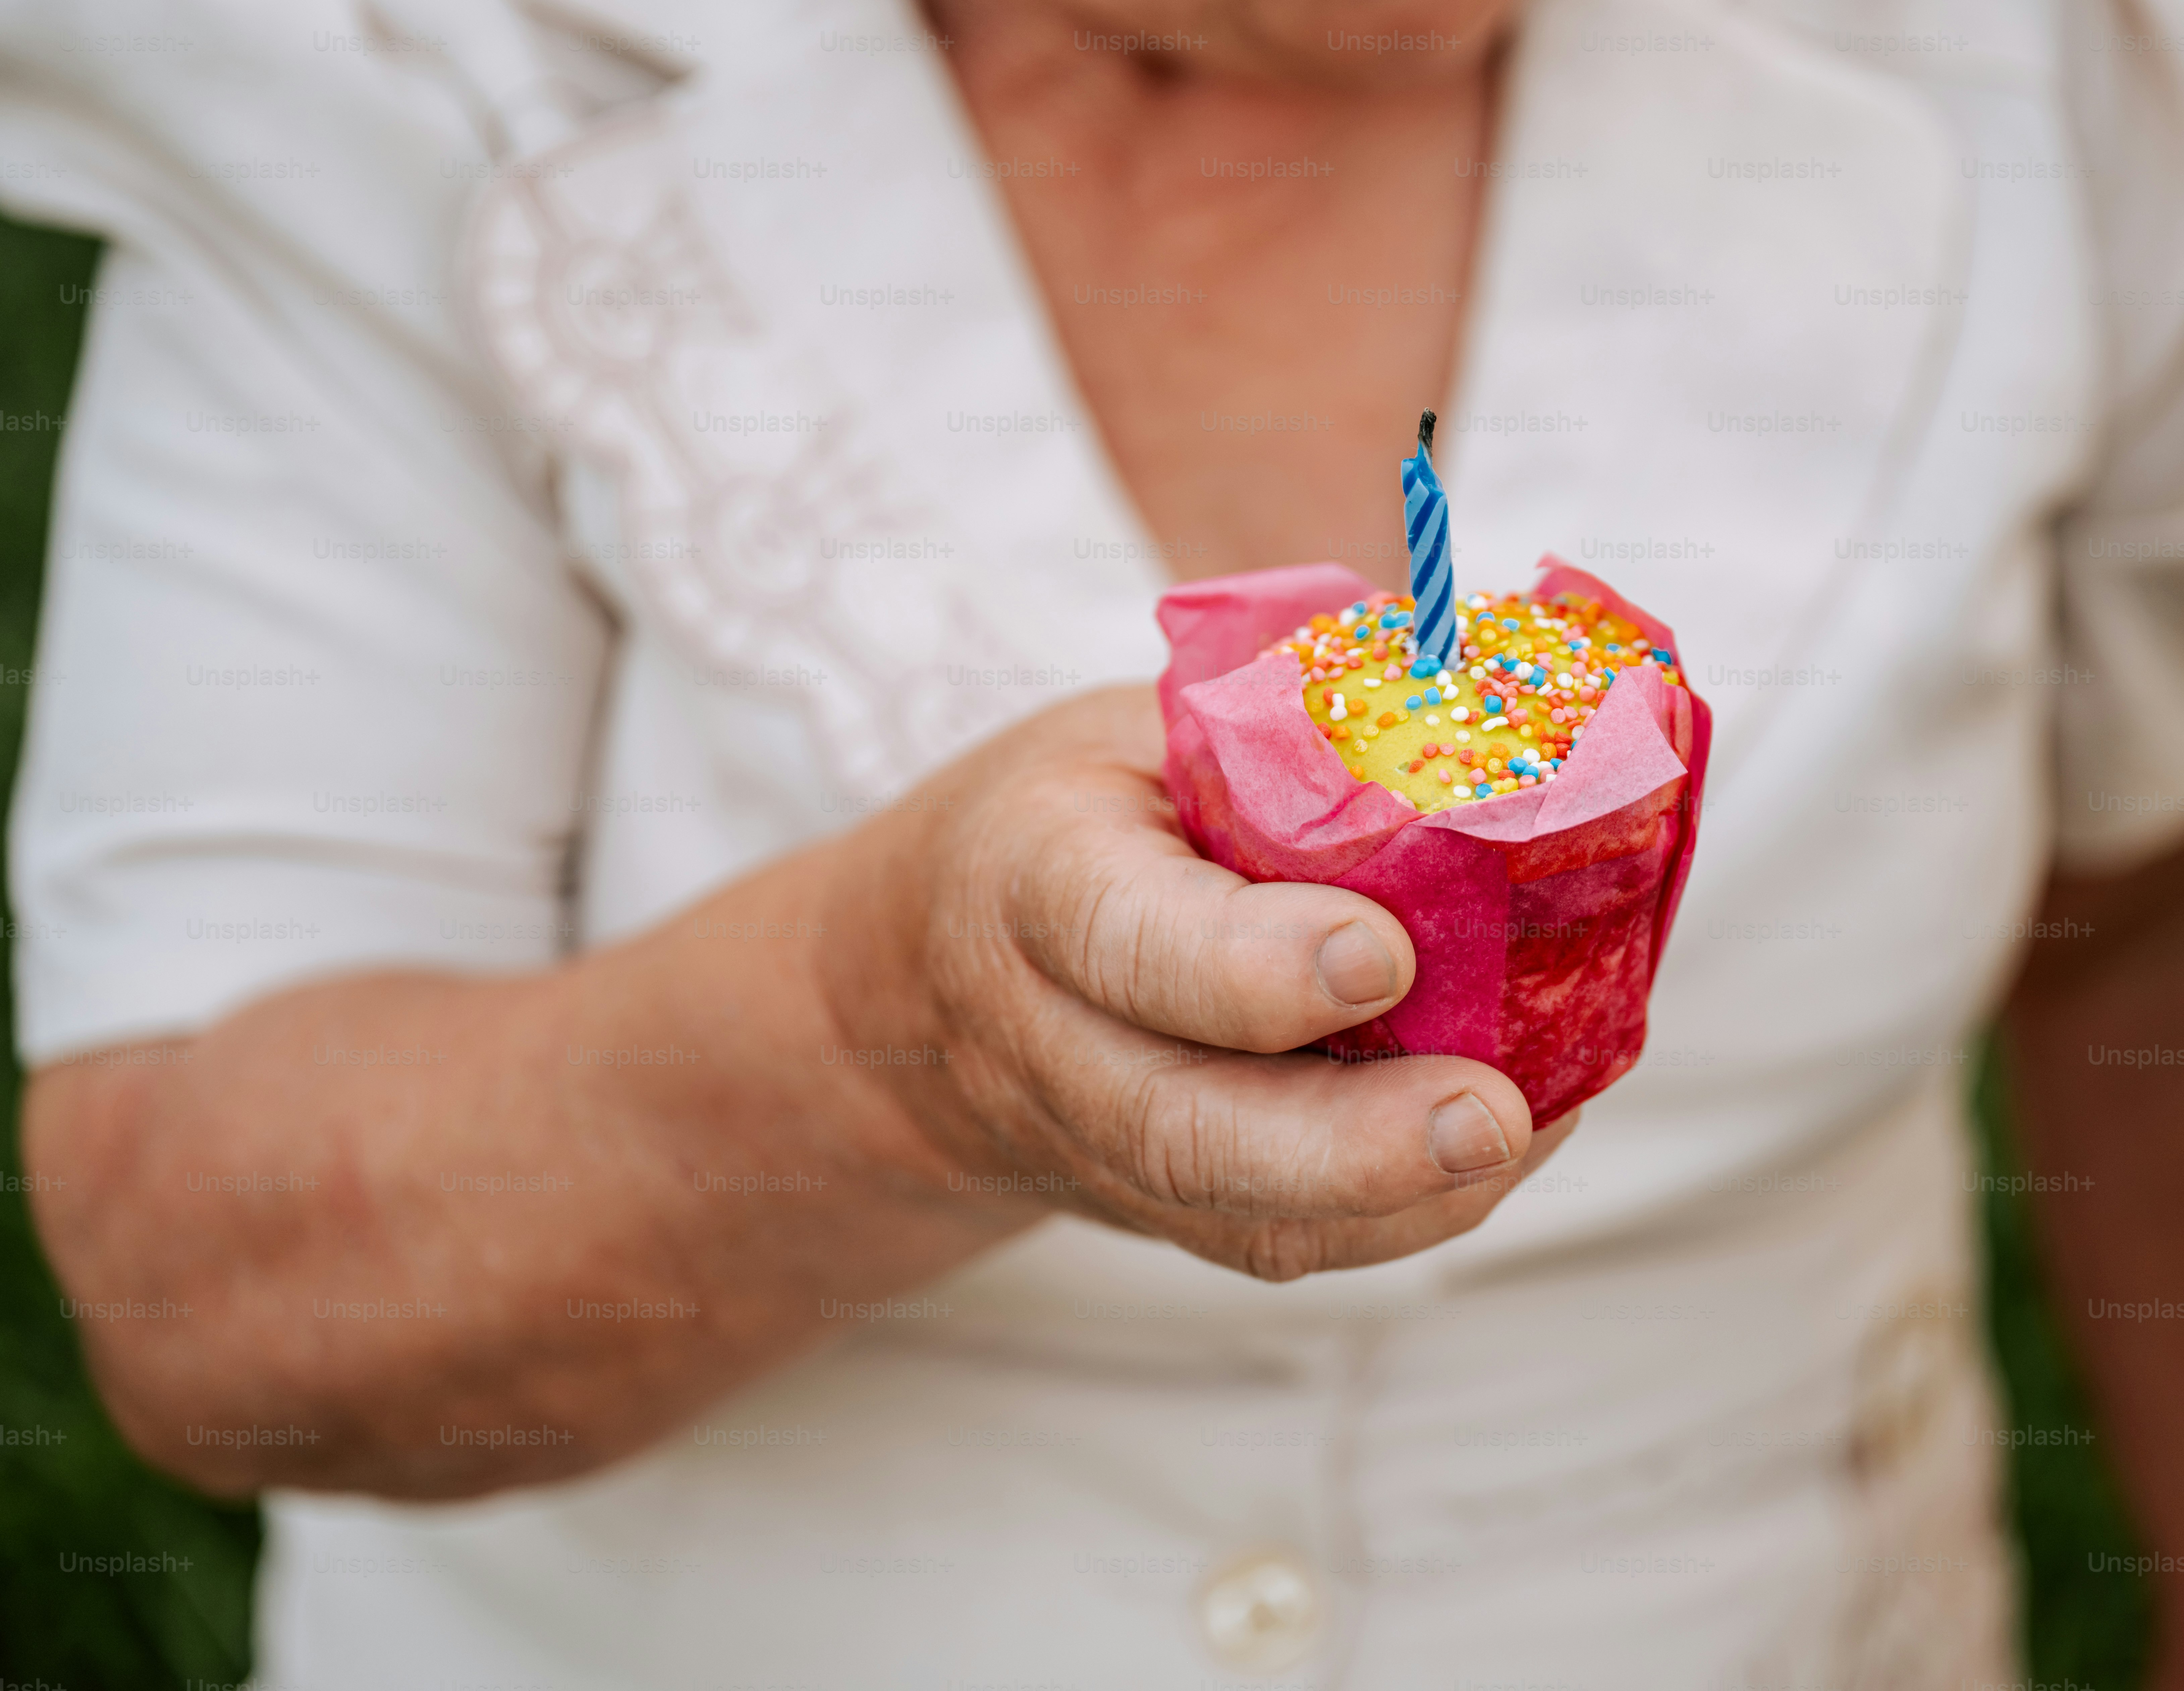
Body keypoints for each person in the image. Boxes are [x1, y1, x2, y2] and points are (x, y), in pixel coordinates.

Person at [4, 0, 2183, 1683]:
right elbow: (208, 1295)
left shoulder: (2042, 60)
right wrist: (891, 1040)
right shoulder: (429, 67)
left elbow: (2140, 897)